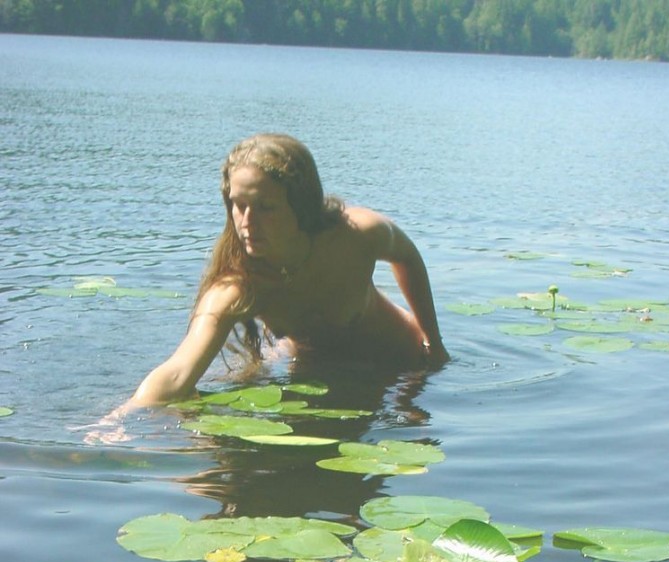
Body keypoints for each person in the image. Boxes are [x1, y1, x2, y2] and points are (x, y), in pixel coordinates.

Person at [103, 134, 448, 421]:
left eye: (265, 207)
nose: (247, 222)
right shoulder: (239, 287)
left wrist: (434, 343)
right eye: (238, 205)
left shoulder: (356, 236)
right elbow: (178, 370)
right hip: (324, 382)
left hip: (403, 366)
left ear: (301, 205)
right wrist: (122, 416)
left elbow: (408, 257)